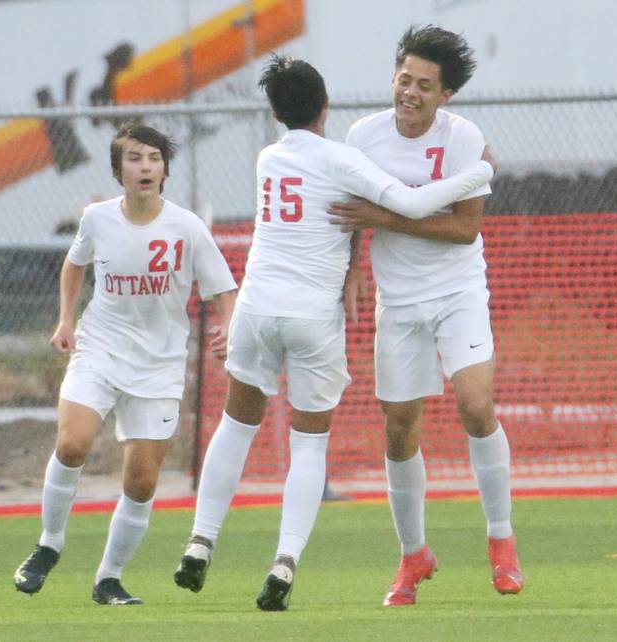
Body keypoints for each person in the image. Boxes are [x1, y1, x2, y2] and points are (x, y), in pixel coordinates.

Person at [173, 54, 496, 612]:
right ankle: (284, 560)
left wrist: (352, 263)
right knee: (308, 442)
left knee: (235, 423)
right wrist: (480, 174)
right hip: (310, 318)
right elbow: (415, 204)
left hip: (255, 307)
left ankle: (201, 541)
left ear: (275, 111)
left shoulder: (268, 158)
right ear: (326, 105)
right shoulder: (344, 160)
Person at [328, 25, 523, 606]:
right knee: (397, 428)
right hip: (399, 302)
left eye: (424, 85)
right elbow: (346, 214)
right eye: (403, 79)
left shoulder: (464, 139)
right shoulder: (363, 136)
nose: (409, 92)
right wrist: (352, 271)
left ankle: (501, 541)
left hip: (458, 292)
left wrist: (386, 219)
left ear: (446, 95)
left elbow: (465, 230)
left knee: (476, 406)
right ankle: (413, 556)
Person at [13, 122, 237, 605]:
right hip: (101, 348)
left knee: (141, 480)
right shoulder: (97, 219)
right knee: (72, 444)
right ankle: (48, 544)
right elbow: (74, 265)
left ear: (165, 171)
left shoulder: (187, 226)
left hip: (159, 365)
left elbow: (223, 288)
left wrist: (228, 328)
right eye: (135, 158)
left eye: (154, 158)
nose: (146, 166)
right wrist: (66, 321)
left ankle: (108, 578)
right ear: (119, 171)